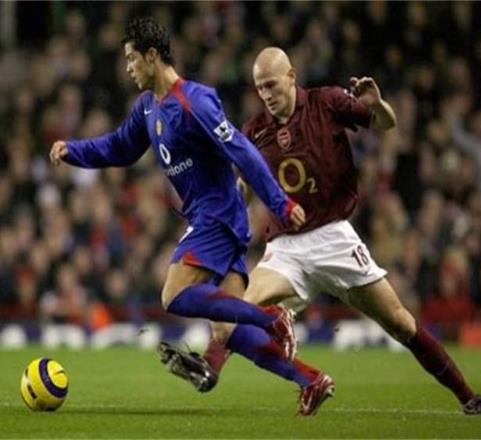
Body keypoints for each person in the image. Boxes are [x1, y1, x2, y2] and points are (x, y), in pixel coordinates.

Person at [161, 47, 481, 416]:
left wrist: (378, 104)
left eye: (272, 84)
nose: (267, 94)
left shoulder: (327, 101)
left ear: (291, 76)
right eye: (260, 88)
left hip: (334, 237)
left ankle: (469, 397)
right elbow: (243, 184)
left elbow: (385, 123)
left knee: (401, 323)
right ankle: (209, 368)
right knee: (233, 312)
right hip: (286, 247)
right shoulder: (254, 131)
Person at [49, 19, 335, 415]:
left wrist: (280, 203)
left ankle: (271, 317)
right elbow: (119, 148)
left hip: (216, 214)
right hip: (217, 216)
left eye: (132, 58)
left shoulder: (193, 102)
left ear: (152, 56)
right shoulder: (147, 107)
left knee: (174, 294)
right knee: (226, 330)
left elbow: (241, 150)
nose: (128, 67)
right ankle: (311, 380)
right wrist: (74, 151)